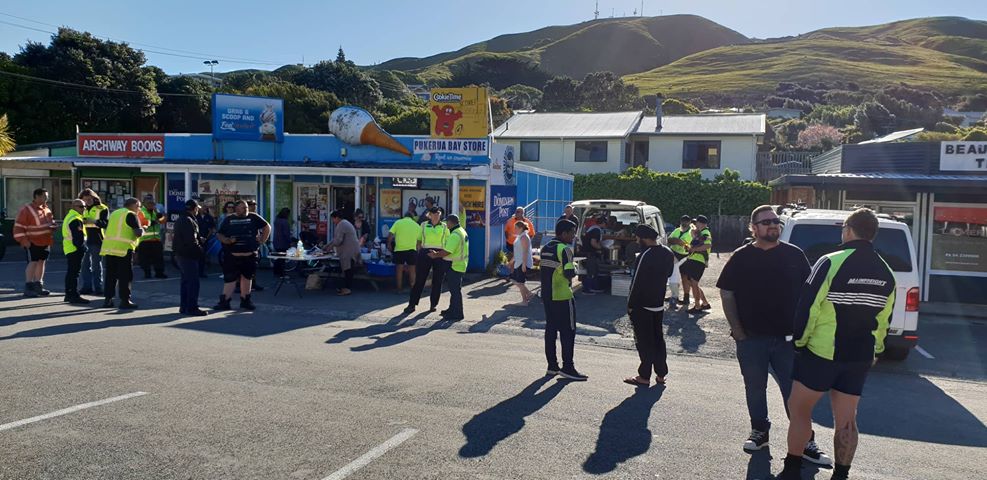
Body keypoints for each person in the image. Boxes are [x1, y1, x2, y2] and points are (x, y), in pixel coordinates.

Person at [779, 208, 895, 480]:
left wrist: (799, 341)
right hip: (860, 356)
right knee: (847, 420)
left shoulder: (829, 261)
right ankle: (841, 475)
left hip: (821, 353)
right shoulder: (887, 270)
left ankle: (792, 469)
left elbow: (808, 306)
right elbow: (884, 318)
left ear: (849, 230)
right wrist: (877, 350)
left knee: (799, 409)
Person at [717, 205, 831, 465]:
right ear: (753, 228)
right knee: (755, 388)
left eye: (775, 221)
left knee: (795, 393)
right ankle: (760, 431)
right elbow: (726, 292)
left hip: (788, 341)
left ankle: (806, 441)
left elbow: (810, 296)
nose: (772, 225)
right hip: (751, 339)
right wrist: (737, 330)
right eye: (766, 222)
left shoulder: (794, 255)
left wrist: (808, 331)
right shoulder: (741, 257)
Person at [623, 225, 675, 387]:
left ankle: (644, 376)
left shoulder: (645, 255)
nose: (637, 241)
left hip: (642, 305)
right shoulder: (668, 252)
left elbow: (636, 282)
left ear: (644, 238)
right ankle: (661, 374)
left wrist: (630, 304)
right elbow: (669, 273)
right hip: (658, 303)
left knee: (644, 342)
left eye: (638, 238)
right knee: (658, 339)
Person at [540, 219, 586, 381]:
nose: (574, 236)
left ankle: (552, 366)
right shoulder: (564, 249)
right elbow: (569, 273)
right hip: (563, 296)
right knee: (568, 331)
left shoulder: (545, 248)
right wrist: (575, 267)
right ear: (564, 233)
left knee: (551, 330)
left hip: (547, 295)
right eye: (572, 233)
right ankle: (568, 367)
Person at [214, 200, 271, 311]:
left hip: (249, 255)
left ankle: (245, 301)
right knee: (230, 279)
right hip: (233, 256)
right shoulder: (229, 219)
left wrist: (263, 239)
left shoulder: (253, 217)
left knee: (247, 278)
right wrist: (227, 240)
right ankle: (224, 302)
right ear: (236, 209)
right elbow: (219, 234)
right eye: (243, 208)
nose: (246, 210)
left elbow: (267, 227)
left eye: (246, 207)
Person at [13, 188, 57, 297]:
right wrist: (24, 241)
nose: (46, 199)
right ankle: (29, 286)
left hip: (45, 241)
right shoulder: (26, 210)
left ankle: (38, 285)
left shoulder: (46, 209)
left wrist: (53, 226)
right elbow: (18, 227)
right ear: (37, 196)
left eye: (47, 196)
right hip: (32, 241)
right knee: (33, 262)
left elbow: (50, 222)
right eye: (44, 196)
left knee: (41, 262)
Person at [101, 198, 144, 309]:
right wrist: (143, 229)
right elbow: (138, 233)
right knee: (125, 276)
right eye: (139, 206)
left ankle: (108, 300)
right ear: (134, 205)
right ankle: (125, 300)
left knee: (110, 276)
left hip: (110, 248)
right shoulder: (131, 214)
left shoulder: (115, 213)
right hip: (123, 249)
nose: (139, 209)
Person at [405, 207, 449, 314]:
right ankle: (412, 304)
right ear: (430, 215)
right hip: (425, 252)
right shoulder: (424, 225)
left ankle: (433, 305)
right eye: (434, 214)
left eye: (438, 214)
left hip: (439, 253)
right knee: (420, 279)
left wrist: (443, 253)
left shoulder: (444, 226)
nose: (436, 216)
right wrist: (420, 250)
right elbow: (419, 239)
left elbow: (448, 240)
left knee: (437, 281)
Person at [428, 213, 468, 321]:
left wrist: (435, 255)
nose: (446, 224)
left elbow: (447, 251)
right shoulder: (461, 231)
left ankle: (457, 313)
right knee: (454, 290)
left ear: (450, 222)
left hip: (455, 265)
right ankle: (452, 310)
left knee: (455, 291)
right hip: (459, 264)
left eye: (447, 222)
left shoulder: (455, 234)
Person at [173, 199, 207, 316]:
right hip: (188, 255)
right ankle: (192, 307)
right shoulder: (188, 220)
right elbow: (190, 241)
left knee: (186, 282)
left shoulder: (181, 219)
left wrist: (198, 239)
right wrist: (200, 249)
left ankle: (184, 306)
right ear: (195, 208)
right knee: (193, 282)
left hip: (181, 254)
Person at [79, 189, 109, 295]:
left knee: (96, 265)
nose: (87, 201)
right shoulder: (80, 208)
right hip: (83, 239)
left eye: (89, 199)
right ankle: (87, 287)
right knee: (84, 265)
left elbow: (105, 223)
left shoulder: (102, 208)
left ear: (94, 198)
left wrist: (94, 221)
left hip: (97, 239)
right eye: (85, 200)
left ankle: (98, 287)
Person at [61, 199, 91, 305]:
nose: (83, 209)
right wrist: (83, 248)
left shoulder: (70, 216)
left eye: (84, 207)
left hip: (69, 248)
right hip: (75, 249)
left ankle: (69, 294)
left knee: (71, 272)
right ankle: (73, 295)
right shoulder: (75, 219)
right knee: (74, 273)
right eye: (81, 207)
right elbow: (77, 238)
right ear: (74, 207)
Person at [325, 210, 360, 296]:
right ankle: (345, 288)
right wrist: (328, 245)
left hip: (349, 250)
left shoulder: (341, 224)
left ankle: (347, 289)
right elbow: (336, 239)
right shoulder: (344, 223)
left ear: (336, 218)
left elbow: (338, 240)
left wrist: (329, 247)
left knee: (348, 270)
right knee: (348, 269)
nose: (333, 221)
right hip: (352, 249)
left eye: (333, 219)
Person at [681, 214, 712, 313]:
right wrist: (690, 248)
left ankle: (697, 306)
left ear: (700, 223)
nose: (695, 224)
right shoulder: (701, 232)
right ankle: (704, 303)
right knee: (692, 282)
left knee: (693, 283)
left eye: (696, 222)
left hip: (697, 261)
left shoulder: (705, 232)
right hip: (695, 260)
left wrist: (693, 249)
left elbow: (708, 245)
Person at [137, 195, 167, 279]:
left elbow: (163, 220)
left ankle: (159, 273)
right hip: (144, 240)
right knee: (145, 259)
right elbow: (143, 222)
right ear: (144, 203)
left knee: (159, 258)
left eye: (152, 203)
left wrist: (158, 213)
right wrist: (155, 221)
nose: (151, 205)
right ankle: (147, 273)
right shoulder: (141, 212)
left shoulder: (155, 211)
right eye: (149, 203)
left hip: (156, 239)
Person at [667, 215, 693, 310]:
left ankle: (684, 297)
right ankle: (675, 296)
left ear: (689, 222)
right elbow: (669, 240)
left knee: (685, 277)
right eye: (683, 221)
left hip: (685, 256)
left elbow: (690, 246)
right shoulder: (677, 230)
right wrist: (676, 241)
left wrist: (682, 243)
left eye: (686, 221)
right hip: (674, 254)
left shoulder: (692, 232)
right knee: (674, 276)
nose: (684, 223)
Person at [388, 213, 419, 293]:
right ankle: (413, 288)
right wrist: (418, 249)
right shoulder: (416, 225)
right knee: (412, 270)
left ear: (404, 217)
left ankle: (399, 288)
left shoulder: (398, 222)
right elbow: (419, 240)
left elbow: (390, 234)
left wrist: (389, 244)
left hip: (399, 249)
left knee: (399, 270)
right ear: (412, 218)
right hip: (412, 249)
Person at [509, 220, 534, 306]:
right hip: (518, 262)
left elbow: (525, 252)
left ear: (521, 228)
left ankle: (524, 301)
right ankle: (529, 294)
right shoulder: (519, 236)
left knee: (520, 282)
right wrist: (511, 261)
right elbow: (517, 251)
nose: (514, 229)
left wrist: (524, 264)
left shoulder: (524, 237)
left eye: (516, 228)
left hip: (522, 263)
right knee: (513, 279)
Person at [503, 207, 534, 276]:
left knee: (517, 259)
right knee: (513, 258)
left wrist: (526, 243)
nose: (516, 213)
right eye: (516, 211)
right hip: (510, 243)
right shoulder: (510, 220)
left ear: (522, 213)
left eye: (518, 212)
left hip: (521, 246)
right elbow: (506, 230)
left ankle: (515, 274)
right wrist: (507, 238)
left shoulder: (527, 222)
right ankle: (512, 274)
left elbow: (532, 234)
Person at [580, 216, 607, 295]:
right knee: (591, 271)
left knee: (591, 270)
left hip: (586, 252)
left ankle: (592, 287)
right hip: (590, 253)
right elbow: (593, 243)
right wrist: (602, 249)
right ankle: (587, 289)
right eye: (605, 223)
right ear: (603, 223)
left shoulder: (592, 228)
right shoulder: (596, 230)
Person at [245, 199, 265, 292]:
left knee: (253, 265)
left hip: (253, 244)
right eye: (252, 206)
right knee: (241, 266)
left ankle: (253, 283)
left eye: (255, 206)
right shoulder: (241, 217)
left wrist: (261, 239)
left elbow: (265, 227)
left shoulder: (255, 216)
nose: (254, 208)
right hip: (243, 245)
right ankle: (238, 285)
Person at [196, 205, 216, 278]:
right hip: (195, 239)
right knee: (195, 256)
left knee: (202, 256)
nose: (204, 208)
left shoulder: (209, 217)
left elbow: (211, 229)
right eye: (203, 207)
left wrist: (206, 238)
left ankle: (201, 272)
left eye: (205, 207)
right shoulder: (196, 216)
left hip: (205, 239)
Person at [272, 208, 292, 278]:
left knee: (278, 258)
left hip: (276, 241)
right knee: (282, 259)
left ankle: (276, 272)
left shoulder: (277, 220)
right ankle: (282, 274)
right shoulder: (285, 222)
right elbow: (286, 233)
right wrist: (290, 241)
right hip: (283, 242)